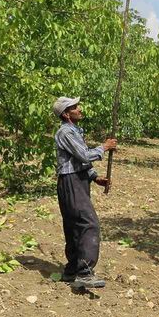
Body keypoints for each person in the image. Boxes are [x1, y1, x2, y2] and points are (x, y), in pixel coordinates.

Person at [53, 96, 117, 290]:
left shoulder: (74, 131)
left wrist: (94, 177)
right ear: (66, 114)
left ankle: (72, 269)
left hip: (76, 180)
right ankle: (85, 272)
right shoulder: (65, 132)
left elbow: (79, 161)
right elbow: (83, 154)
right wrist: (104, 147)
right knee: (89, 223)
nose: (79, 109)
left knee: (74, 223)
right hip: (71, 181)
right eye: (75, 107)